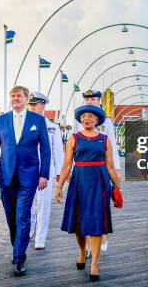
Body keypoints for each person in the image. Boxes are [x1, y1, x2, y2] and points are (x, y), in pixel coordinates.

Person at [0, 86, 51, 277]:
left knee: (23, 216)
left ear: (26, 99)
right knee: (11, 217)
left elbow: (45, 150)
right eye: (13, 96)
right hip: (6, 177)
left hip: (29, 176)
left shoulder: (37, 121)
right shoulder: (1, 120)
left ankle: (19, 257)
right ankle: (17, 246)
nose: (15, 99)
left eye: (19, 96)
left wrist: (44, 174)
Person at [56, 105, 122, 282]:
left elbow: (110, 166)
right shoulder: (73, 138)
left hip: (100, 182)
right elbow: (67, 165)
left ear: (97, 120)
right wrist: (59, 185)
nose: (86, 119)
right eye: (83, 116)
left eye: (90, 117)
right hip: (79, 181)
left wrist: (118, 188)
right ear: (80, 120)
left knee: (97, 222)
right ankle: (81, 250)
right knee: (78, 222)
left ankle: (95, 263)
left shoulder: (104, 139)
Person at [27, 92, 64, 250]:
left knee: (44, 204)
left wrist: (59, 176)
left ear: (43, 106)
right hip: (26, 170)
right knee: (26, 203)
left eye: (37, 104)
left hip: (46, 171)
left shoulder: (52, 126)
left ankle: (40, 238)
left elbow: (58, 152)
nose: (34, 107)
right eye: (32, 105)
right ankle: (30, 226)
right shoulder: (23, 124)